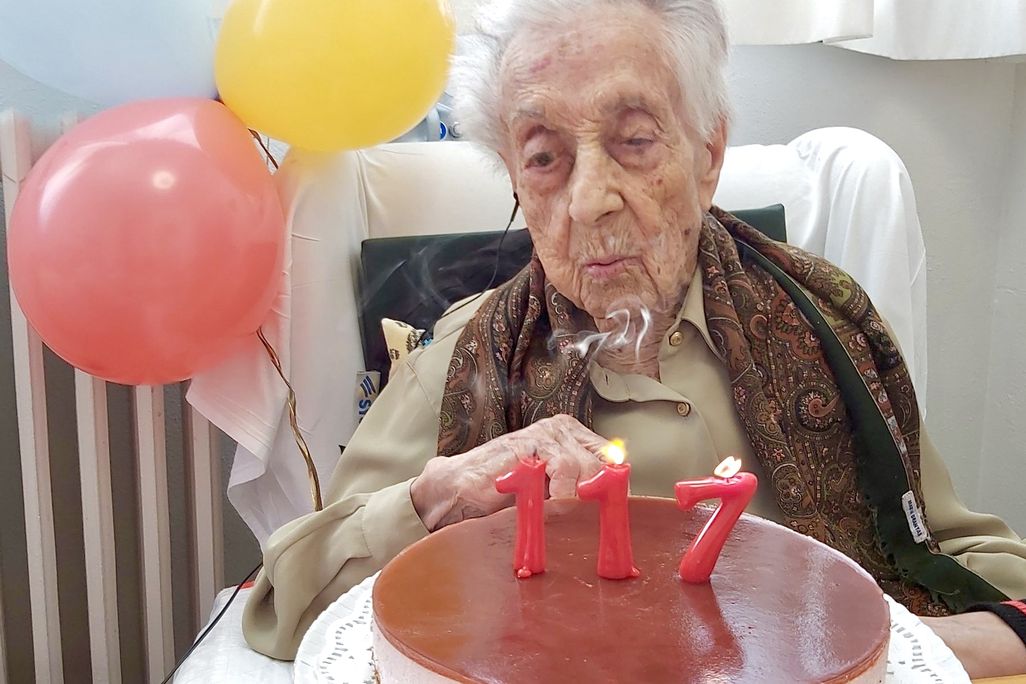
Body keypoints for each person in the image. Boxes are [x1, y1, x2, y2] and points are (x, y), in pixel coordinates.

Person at [243, 0, 1026, 676]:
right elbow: (285, 611)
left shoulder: (829, 335)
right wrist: (442, 490)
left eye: (634, 139)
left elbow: (975, 573)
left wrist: (873, 655)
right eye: (544, 157)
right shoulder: (461, 366)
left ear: (708, 154)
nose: (587, 201)